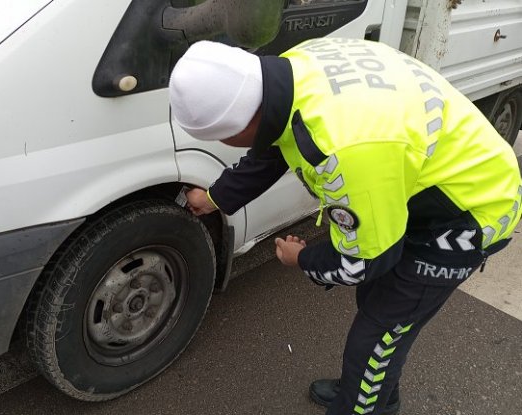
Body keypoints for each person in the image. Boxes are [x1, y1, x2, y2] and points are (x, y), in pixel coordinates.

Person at [168, 38, 522, 415]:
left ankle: (361, 401)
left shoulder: (345, 150)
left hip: (469, 215)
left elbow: (364, 261)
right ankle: (377, 395)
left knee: (376, 335)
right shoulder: (291, 70)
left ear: (239, 124)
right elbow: (274, 146)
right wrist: (215, 198)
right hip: (429, 180)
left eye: (222, 136)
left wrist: (301, 258)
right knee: (378, 312)